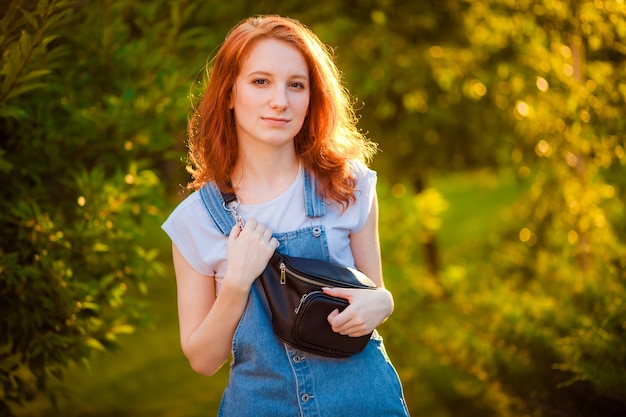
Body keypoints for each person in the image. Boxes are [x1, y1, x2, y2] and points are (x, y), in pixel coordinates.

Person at [162, 15, 409, 417]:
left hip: (365, 403)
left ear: (312, 97)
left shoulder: (350, 187)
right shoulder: (195, 221)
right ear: (229, 93)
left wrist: (384, 302)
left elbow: (375, 293)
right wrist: (238, 281)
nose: (280, 101)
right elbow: (203, 361)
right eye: (261, 81)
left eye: (296, 85)